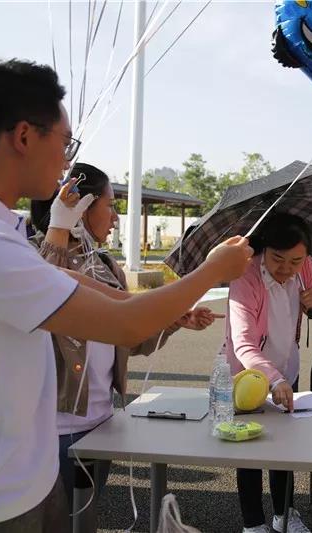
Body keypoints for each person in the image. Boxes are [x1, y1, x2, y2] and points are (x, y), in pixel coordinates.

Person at [0, 57, 251, 532]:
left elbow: (103, 298)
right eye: (65, 143)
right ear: (23, 137)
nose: (65, 162)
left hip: (15, 479)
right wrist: (211, 271)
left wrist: (175, 302)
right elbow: (125, 326)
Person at [30, 162, 222, 512]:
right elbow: (41, 298)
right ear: (83, 206)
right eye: (111, 205)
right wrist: (58, 229)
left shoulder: (106, 266)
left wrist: (173, 320)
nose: (117, 218)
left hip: (101, 423)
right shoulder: (30, 255)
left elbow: (130, 338)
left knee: (84, 519)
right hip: (50, 430)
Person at [221, 212, 312, 533]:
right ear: (263, 249)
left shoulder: (303, 266)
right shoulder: (245, 276)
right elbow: (242, 342)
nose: (287, 269)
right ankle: (254, 523)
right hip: (247, 375)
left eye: (296, 261)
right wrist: (273, 378)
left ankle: (284, 514)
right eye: (278, 259)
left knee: (285, 446)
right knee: (250, 449)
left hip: (286, 365)